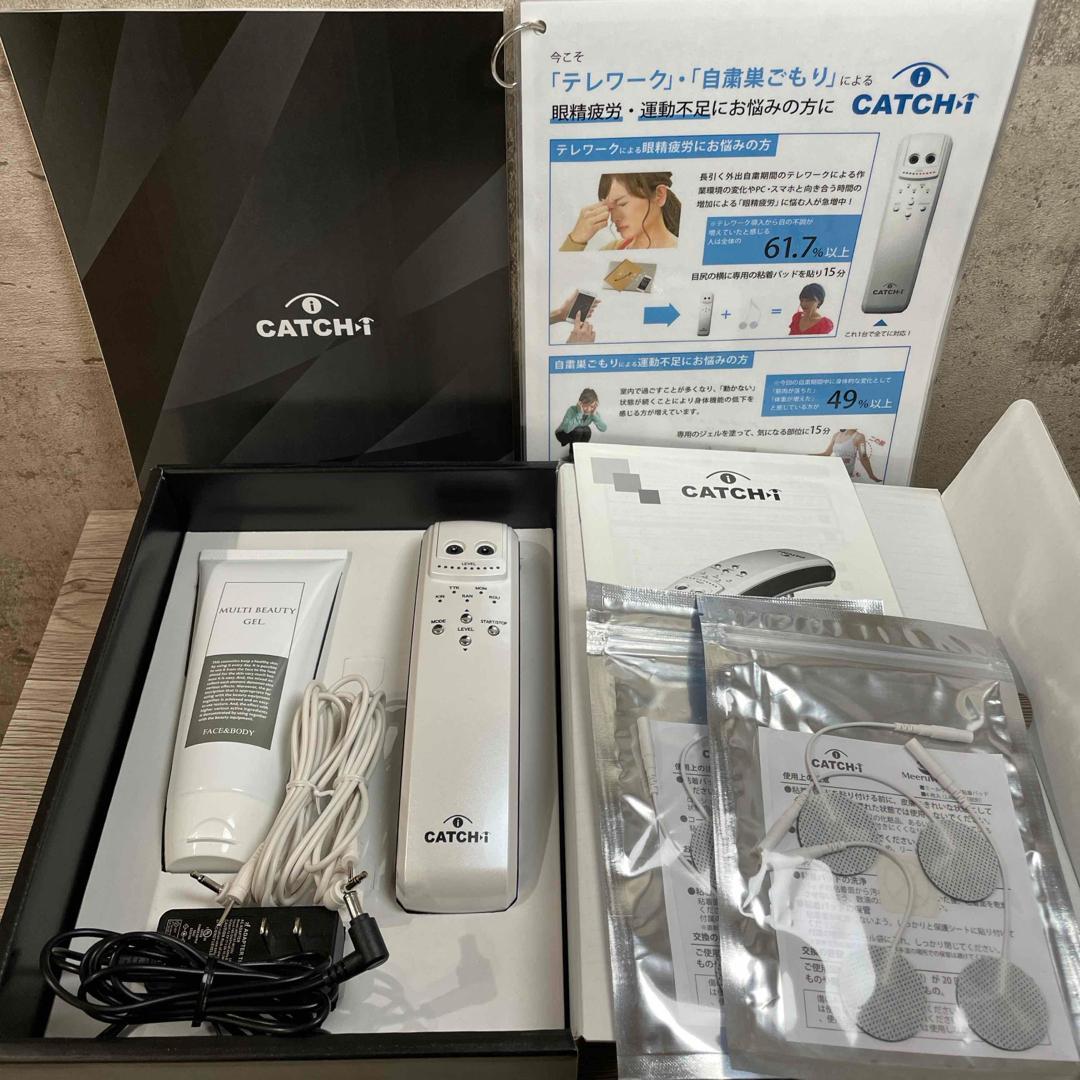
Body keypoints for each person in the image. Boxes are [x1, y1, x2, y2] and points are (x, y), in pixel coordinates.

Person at [560, 172, 680, 251]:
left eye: (622, 204)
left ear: (659, 195)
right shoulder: (612, 249)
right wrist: (576, 239)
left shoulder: (683, 253)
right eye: (610, 209)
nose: (613, 218)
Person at [815, 429, 881, 482]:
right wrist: (809, 455)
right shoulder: (836, 435)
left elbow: (863, 457)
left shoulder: (859, 436)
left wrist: (871, 475)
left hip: (846, 476)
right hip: (833, 473)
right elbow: (827, 453)